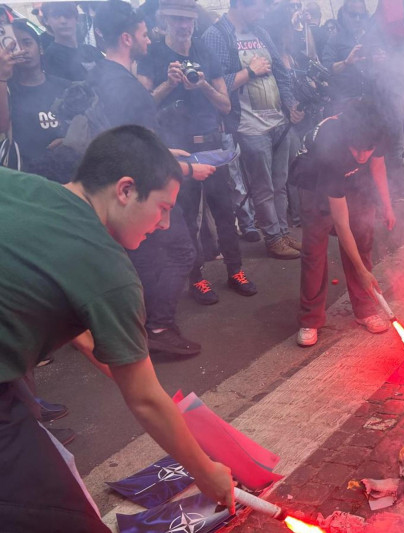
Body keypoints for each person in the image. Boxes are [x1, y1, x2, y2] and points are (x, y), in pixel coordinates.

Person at [0, 125, 234, 532]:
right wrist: (205, 471)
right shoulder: (109, 270)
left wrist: (131, 370)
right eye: (162, 208)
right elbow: (143, 400)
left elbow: (78, 327)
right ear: (125, 190)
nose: (163, 225)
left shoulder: (24, 187)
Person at [91, 0, 211, 356]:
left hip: (121, 187)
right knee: (177, 251)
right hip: (141, 189)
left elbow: (127, 137)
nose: (149, 38)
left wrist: (166, 151)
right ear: (127, 38)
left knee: (144, 258)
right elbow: (135, 152)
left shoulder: (101, 74)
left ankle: (141, 328)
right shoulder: (125, 85)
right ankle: (158, 329)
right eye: (144, 33)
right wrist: (188, 169)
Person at [139, 0, 258, 305]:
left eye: (188, 20)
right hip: (177, 148)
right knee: (187, 217)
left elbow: (226, 104)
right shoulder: (153, 54)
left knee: (224, 211)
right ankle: (197, 279)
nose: (184, 25)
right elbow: (141, 106)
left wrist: (203, 85)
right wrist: (169, 82)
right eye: (177, 19)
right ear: (164, 20)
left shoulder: (205, 51)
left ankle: (235, 271)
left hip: (211, 144)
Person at [202, 0, 305, 260]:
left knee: (280, 184)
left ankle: (282, 232)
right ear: (241, 5)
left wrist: (291, 103)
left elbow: (280, 72)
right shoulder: (216, 35)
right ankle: (272, 238)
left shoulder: (260, 31)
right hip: (249, 126)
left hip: (278, 123)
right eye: (259, 7)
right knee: (263, 187)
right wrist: (250, 71)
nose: (263, 12)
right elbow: (216, 84)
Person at [290, 98, 396, 347]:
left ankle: (365, 309)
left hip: (353, 181)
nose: (362, 156)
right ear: (348, 140)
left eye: (367, 149)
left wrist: (387, 206)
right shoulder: (332, 148)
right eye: (356, 149)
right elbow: (341, 223)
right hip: (314, 181)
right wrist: (362, 271)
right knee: (315, 248)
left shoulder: (376, 129)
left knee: (363, 238)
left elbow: (377, 167)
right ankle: (311, 319)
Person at [3, 20, 72, 183]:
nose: (22, 51)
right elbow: (2, 126)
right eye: (14, 47)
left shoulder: (65, 87)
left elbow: (89, 126)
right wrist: (2, 76)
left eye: (27, 43)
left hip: (70, 175)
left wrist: (71, 141)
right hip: (27, 180)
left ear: (40, 48)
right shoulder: (6, 90)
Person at [41, 2, 99, 81]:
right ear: (46, 20)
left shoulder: (92, 50)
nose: (63, 21)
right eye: (56, 16)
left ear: (77, 18)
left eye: (68, 15)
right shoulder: (50, 57)